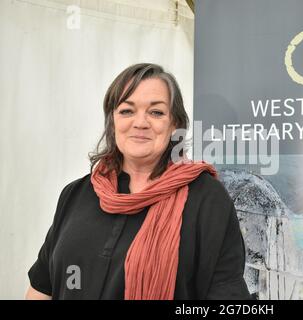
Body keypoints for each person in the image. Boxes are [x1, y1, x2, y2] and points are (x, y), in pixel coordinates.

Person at [25, 63, 251, 300]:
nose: (140, 122)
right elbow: (42, 287)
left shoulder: (207, 198)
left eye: (156, 112)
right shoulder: (76, 194)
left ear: (174, 124)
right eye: (127, 111)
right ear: (112, 121)